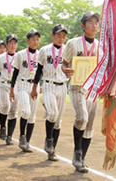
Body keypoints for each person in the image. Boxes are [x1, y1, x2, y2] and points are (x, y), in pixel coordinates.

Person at [61, 11, 100, 173]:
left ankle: (82, 158)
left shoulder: (100, 45)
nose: (94, 25)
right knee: (82, 118)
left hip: (92, 90)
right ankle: (77, 152)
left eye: (96, 22)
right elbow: (63, 63)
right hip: (77, 87)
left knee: (89, 125)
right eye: (90, 22)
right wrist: (65, 70)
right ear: (83, 26)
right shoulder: (73, 43)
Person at [30, 24, 68, 161]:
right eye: (58, 35)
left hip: (63, 86)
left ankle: (52, 151)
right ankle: (48, 139)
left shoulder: (67, 50)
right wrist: (34, 88)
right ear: (53, 36)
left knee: (58, 121)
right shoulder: (45, 50)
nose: (61, 38)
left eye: (63, 36)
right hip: (48, 84)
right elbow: (39, 70)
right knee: (52, 113)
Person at [10, 28, 41, 152]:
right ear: (28, 40)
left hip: (35, 85)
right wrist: (12, 89)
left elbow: (40, 72)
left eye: (37, 39)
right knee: (26, 111)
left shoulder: (41, 54)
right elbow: (15, 72)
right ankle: (22, 136)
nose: (35, 41)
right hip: (22, 84)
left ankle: (27, 142)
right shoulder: (20, 54)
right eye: (33, 39)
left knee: (32, 115)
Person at [0, 34, 19, 145]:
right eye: (10, 43)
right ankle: (2, 126)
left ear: (17, 45)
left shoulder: (19, 57)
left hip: (15, 85)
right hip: (3, 84)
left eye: (15, 43)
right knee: (5, 106)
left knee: (13, 111)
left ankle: (9, 136)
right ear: (7, 45)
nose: (12, 45)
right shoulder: (0, 58)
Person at [0, 40, 6, 134]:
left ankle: (1, 127)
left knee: (2, 107)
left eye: (4, 47)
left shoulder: (5, 59)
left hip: (2, 85)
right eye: (0, 47)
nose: (2, 50)